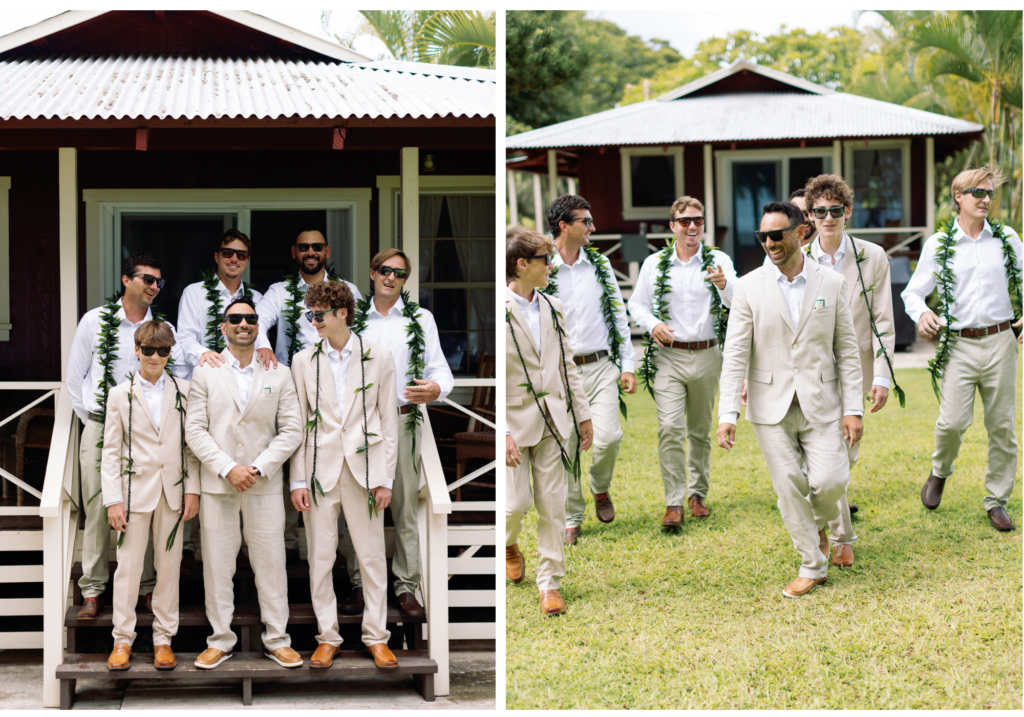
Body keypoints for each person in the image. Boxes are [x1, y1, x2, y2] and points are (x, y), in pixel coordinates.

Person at [716, 201, 862, 598]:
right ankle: (812, 563)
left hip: (822, 400)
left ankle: (819, 523)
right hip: (769, 405)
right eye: (762, 236)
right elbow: (735, 354)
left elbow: (847, 350)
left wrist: (853, 409)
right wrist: (727, 412)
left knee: (831, 480)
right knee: (788, 486)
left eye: (776, 234)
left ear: (801, 232)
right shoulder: (747, 287)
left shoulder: (831, 283)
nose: (769, 243)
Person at [184, 298, 304, 669]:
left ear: (258, 326)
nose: (243, 324)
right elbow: (194, 430)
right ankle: (220, 639)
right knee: (218, 566)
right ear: (223, 327)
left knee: (271, 564)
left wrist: (257, 467)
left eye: (250, 319)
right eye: (235, 318)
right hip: (219, 485)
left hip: (263, 485)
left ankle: (278, 638)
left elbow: (293, 429)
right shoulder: (204, 373)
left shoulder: (279, 374)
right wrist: (226, 467)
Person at [902, 166, 1022, 532]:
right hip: (958, 345)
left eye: (990, 194)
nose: (986, 200)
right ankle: (940, 471)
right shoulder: (939, 245)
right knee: (952, 422)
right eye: (978, 193)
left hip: (1002, 341)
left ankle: (996, 500)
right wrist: (922, 313)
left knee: (1002, 426)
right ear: (959, 197)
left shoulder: (1007, 239)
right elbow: (912, 292)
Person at [67, 252, 186, 620]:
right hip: (103, 424)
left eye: (158, 282)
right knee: (99, 505)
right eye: (147, 279)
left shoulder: (161, 331)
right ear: (126, 280)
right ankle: (93, 589)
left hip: (149, 430)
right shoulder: (95, 321)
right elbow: (75, 378)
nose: (154, 287)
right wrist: (94, 419)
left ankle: (147, 587)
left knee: (145, 506)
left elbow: (176, 375)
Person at [290, 281, 401, 670]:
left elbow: (389, 421)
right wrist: (297, 480)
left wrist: (385, 477)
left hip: (365, 472)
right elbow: (300, 424)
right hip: (319, 472)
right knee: (320, 558)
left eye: (319, 314)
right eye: (310, 315)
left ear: (342, 313)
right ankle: (327, 637)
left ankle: (377, 636)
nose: (313, 321)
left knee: (371, 557)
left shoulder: (378, 356)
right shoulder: (303, 361)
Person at [337, 249, 454, 620]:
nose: (391, 278)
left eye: (399, 274)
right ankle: (359, 583)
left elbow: (441, 370)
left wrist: (437, 389)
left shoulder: (421, 319)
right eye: (384, 270)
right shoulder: (352, 320)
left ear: (405, 280)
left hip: (403, 421)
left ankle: (406, 586)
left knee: (403, 508)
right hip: (360, 423)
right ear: (372, 273)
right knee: (358, 507)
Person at [802, 174, 896, 568]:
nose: (828, 218)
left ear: (847, 212)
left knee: (845, 456)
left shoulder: (872, 257)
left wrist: (882, 377)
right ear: (809, 215)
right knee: (825, 455)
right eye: (820, 211)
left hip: (856, 369)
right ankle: (838, 536)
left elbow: (884, 321)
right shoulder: (797, 255)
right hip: (810, 371)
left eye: (835, 211)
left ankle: (824, 522)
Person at [254, 227, 363, 563]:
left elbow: (361, 337)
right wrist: (264, 346)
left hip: (342, 389)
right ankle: (288, 546)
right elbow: (260, 319)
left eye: (316, 247)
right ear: (294, 252)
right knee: (292, 457)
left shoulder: (347, 291)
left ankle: (339, 548)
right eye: (304, 247)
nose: (310, 252)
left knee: (341, 461)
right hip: (296, 386)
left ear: (327, 251)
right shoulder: (279, 291)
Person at [628, 196, 736, 528]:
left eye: (698, 221)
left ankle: (697, 495)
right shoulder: (655, 264)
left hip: (707, 354)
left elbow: (740, 300)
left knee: (700, 430)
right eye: (685, 221)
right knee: (670, 429)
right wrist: (653, 325)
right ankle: (674, 502)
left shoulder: (718, 260)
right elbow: (637, 305)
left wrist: (724, 284)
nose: (693, 226)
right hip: (669, 357)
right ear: (673, 226)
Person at [505, 226, 593, 617]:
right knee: (514, 506)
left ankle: (550, 583)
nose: (551, 266)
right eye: (545, 260)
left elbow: (566, 365)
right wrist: (502, 432)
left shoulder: (553, 307)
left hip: (556, 418)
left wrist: (583, 414)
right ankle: (509, 543)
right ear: (522, 264)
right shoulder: (499, 308)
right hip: (512, 421)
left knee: (553, 504)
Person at [102, 321, 200, 671]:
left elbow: (191, 447)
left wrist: (192, 490)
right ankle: (122, 640)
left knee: (169, 567)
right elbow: (111, 451)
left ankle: (163, 638)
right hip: (133, 493)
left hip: (173, 493)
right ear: (136, 350)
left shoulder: (185, 390)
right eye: (148, 350)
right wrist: (113, 499)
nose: (155, 356)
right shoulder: (119, 395)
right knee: (128, 569)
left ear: (171, 352)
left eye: (163, 350)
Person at [542, 195, 637, 545]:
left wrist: (627, 365)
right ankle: (572, 517)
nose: (593, 228)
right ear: (564, 225)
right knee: (565, 445)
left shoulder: (600, 266)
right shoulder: (542, 265)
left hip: (600, 366)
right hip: (559, 372)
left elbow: (619, 317)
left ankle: (600, 486)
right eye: (585, 221)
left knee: (609, 437)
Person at [176, 228, 266, 573]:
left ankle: (235, 546)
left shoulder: (254, 299)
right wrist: (210, 355)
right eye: (228, 252)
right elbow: (184, 339)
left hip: (241, 393)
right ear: (217, 256)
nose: (234, 259)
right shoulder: (195, 294)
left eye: (241, 254)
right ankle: (186, 547)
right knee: (195, 461)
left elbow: (259, 338)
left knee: (233, 459)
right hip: (200, 386)